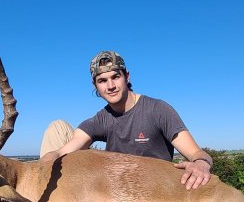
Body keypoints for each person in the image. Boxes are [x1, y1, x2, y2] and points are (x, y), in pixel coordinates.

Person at [40, 51, 213, 190]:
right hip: (116, 187)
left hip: (154, 189)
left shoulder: (157, 109)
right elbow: (67, 148)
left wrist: (201, 163)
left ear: (127, 76)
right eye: (102, 81)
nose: (110, 86)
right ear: (95, 86)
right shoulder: (101, 119)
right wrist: (43, 163)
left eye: (115, 77)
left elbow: (198, 154)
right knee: (57, 127)